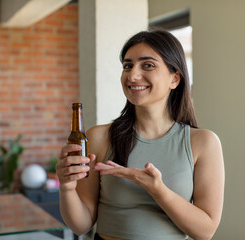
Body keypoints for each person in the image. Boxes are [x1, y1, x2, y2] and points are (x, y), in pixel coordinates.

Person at [56, 29, 225, 240]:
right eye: (127, 66)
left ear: (175, 79)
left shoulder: (203, 143)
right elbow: (81, 225)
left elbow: (205, 231)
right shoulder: (99, 137)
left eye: (148, 65)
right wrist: (67, 188)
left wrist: (157, 190)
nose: (133, 75)